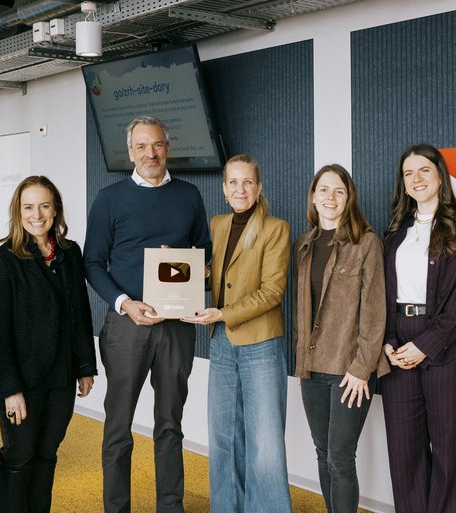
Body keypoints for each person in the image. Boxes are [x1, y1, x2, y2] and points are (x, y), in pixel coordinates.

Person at [84, 116, 212, 513]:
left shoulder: (190, 195)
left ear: (167, 148)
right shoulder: (109, 199)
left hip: (176, 328)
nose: (150, 153)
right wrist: (125, 303)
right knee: (119, 426)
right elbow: (92, 263)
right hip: (125, 326)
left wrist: (199, 272)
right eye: (141, 146)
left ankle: (170, 507)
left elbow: (203, 254)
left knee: (170, 424)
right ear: (130, 152)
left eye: (156, 145)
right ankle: (116, 508)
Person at [381, 144, 456, 513]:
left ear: (440, 175)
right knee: (404, 456)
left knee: (450, 457)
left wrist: (426, 344)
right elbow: (382, 293)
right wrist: (389, 341)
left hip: (449, 351)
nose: (416, 179)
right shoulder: (395, 234)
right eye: (409, 173)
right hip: (397, 351)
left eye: (424, 170)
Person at [183, 154, 292, 513]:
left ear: (259, 188)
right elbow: (216, 275)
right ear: (224, 189)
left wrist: (223, 313)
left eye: (247, 182)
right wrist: (182, 268)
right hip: (222, 344)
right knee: (223, 437)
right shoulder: (217, 224)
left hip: (260, 343)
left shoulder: (276, 228)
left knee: (265, 443)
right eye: (233, 182)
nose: (240, 189)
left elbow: (272, 292)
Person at [0, 176, 97, 513]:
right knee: (19, 455)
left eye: (44, 205)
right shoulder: (2, 260)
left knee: (47, 455)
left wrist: (85, 366)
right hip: (23, 380)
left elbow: (80, 311)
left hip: (61, 377)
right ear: (17, 212)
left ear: (55, 209)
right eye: (28, 207)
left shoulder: (69, 252)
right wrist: (10, 388)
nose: (37, 214)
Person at [293, 164, 390, 513]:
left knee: (340, 458)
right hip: (311, 367)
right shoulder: (304, 245)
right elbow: (303, 310)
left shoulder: (366, 243)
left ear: (349, 198)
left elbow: (375, 312)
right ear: (313, 197)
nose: (330, 197)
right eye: (324, 190)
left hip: (349, 370)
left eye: (339, 191)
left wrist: (362, 368)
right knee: (323, 454)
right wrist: (300, 363)